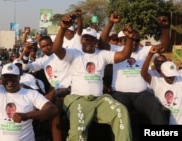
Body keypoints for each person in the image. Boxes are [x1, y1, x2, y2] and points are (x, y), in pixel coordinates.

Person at [52, 12, 134, 141]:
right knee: (78, 130)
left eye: (92, 39)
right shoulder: (74, 53)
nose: (88, 41)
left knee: (121, 111)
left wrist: (130, 38)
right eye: (86, 38)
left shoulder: (102, 54)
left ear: (96, 41)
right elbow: (56, 49)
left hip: (100, 100)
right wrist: (62, 28)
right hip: (78, 99)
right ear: (81, 40)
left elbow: (124, 55)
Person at [0, 53, 58, 141]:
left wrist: (27, 115)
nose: (9, 81)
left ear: (19, 78)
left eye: (13, 77)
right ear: (2, 79)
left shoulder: (30, 94)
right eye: (6, 77)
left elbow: (52, 110)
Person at [20, 35, 72, 141]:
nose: (46, 48)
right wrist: (26, 52)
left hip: (69, 90)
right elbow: (25, 69)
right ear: (40, 48)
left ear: (53, 44)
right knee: (39, 109)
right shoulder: (43, 60)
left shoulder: (63, 54)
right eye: (43, 46)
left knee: (55, 115)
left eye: (48, 45)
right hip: (55, 91)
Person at [141, 47, 182, 124]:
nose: (171, 77)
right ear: (162, 74)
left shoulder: (179, 80)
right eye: (168, 75)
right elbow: (144, 74)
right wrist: (150, 55)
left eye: (173, 75)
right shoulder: (156, 82)